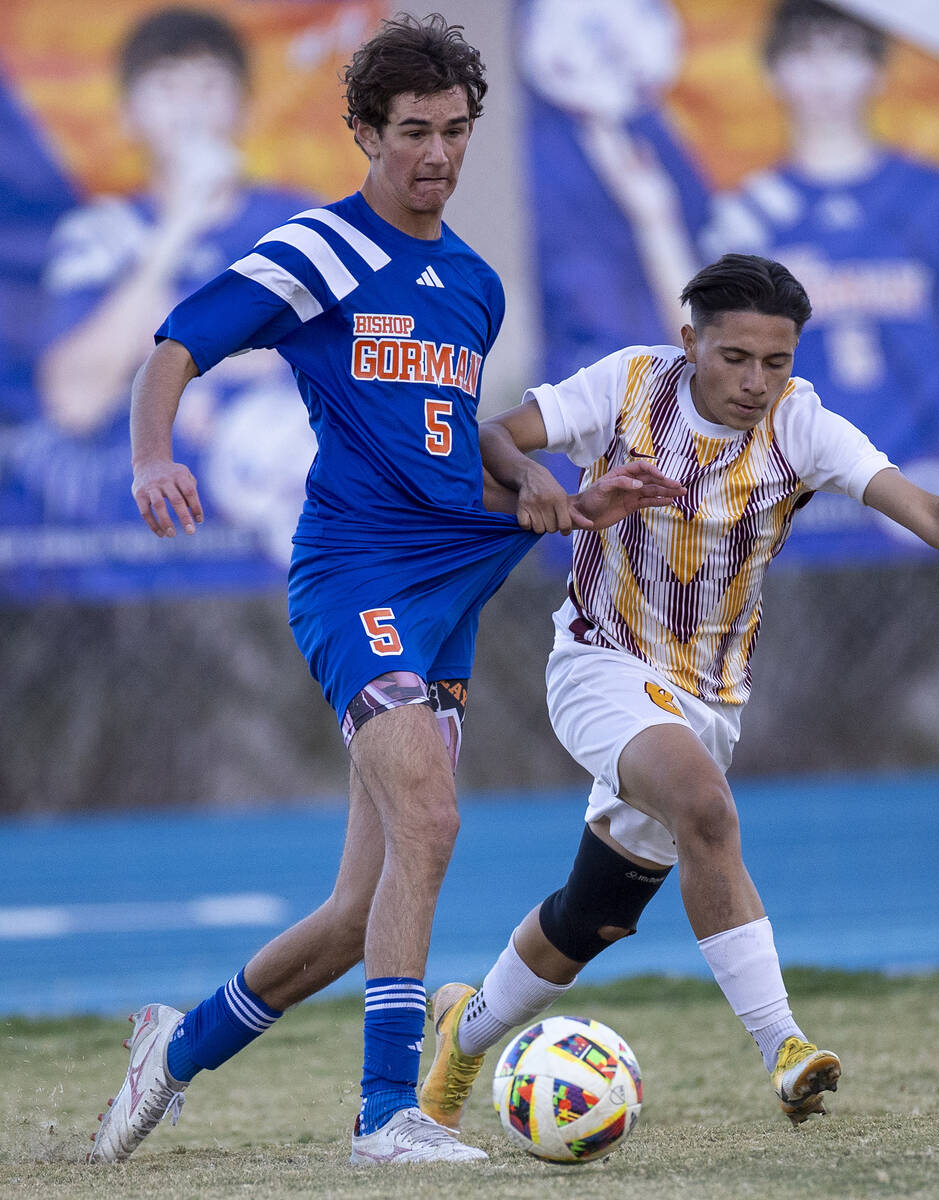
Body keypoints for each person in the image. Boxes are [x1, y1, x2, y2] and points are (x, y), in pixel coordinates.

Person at [89, 13, 681, 1168]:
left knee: (363, 915)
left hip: (454, 582)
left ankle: (173, 1047)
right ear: (362, 130)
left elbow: (462, 436)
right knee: (432, 817)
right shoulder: (317, 249)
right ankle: (384, 1118)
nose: (437, 155)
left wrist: (561, 491)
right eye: (412, 131)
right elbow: (174, 347)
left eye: (455, 132)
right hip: (355, 577)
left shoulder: (472, 283)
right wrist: (151, 455)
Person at [417, 253, 939, 1135]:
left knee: (596, 915)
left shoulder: (800, 426)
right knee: (705, 808)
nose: (755, 380)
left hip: (709, 700)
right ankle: (785, 1047)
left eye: (776, 362)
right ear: (689, 341)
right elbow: (490, 432)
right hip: (598, 665)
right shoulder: (626, 387)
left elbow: (920, 507)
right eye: (734, 358)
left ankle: (461, 1039)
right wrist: (539, 479)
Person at [701, 0, 939, 560]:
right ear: (773, 72)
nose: (824, 77)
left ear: (877, 70)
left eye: (843, 55)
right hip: (791, 498)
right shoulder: (745, 214)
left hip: (922, 487)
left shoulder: (934, 196)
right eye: (804, 56)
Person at [26, 6, 319, 591]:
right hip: (135, 560)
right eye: (167, 87)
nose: (189, 108)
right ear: (129, 114)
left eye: (208, 85)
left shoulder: (298, 223)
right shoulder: (101, 232)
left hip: (284, 541)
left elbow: (352, 361)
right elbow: (75, 399)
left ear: (242, 106)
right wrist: (179, 224)